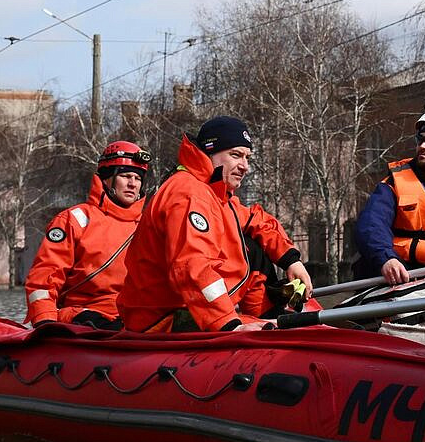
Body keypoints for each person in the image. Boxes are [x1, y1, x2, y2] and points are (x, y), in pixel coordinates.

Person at [119, 115, 310, 332]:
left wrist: (291, 260)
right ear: (210, 153)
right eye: (236, 155)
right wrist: (229, 325)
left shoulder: (216, 196)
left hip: (189, 309)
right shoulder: (189, 194)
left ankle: (273, 314)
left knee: (251, 247)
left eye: (248, 158)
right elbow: (192, 267)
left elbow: (257, 220)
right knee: (279, 327)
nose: (244, 166)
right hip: (162, 318)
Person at [23, 141, 150, 329]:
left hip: (132, 316)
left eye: (138, 178)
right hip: (83, 314)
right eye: (125, 176)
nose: (133, 184)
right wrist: (45, 321)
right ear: (107, 179)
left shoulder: (147, 225)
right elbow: (45, 275)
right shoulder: (75, 219)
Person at [352, 101, 425, 284]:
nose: (422, 146)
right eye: (420, 139)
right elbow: (371, 225)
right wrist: (386, 258)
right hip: (402, 276)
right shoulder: (393, 183)